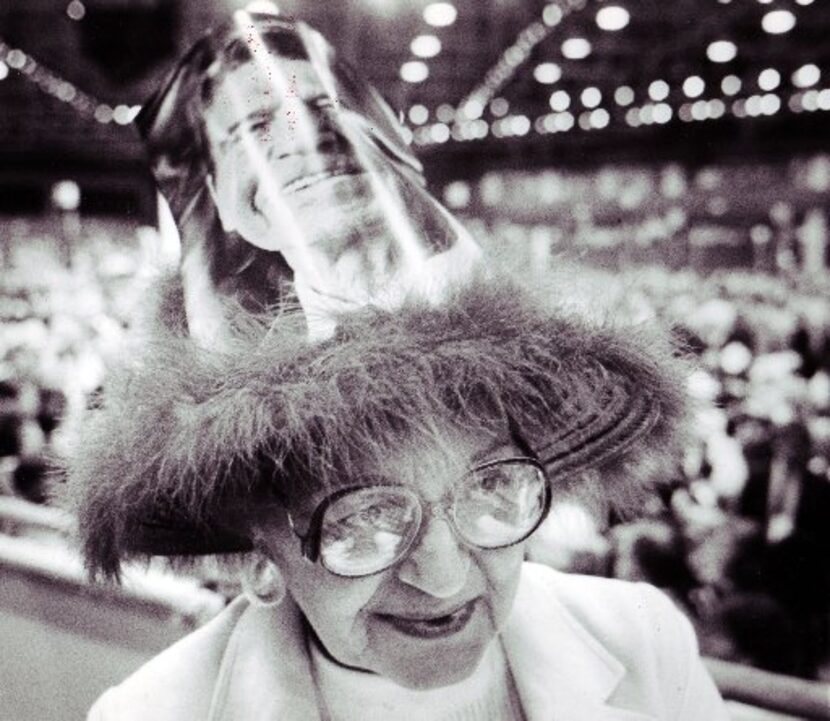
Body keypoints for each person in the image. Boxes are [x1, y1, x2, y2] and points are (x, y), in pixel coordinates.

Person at [65, 11, 729, 721]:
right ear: (257, 548)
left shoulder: (646, 646)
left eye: (493, 488)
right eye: (364, 518)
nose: (443, 575)